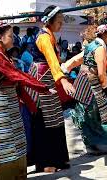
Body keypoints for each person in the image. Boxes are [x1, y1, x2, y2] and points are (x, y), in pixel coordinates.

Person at [0, 22, 49, 179]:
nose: (13, 40)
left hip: (10, 103)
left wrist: (31, 103)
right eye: (10, 36)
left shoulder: (5, 55)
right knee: (0, 142)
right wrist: (41, 87)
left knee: (16, 140)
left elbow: (16, 83)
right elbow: (17, 76)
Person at [26, 5, 75, 172]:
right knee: (44, 118)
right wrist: (63, 80)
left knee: (54, 117)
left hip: (48, 76)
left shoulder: (50, 35)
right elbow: (52, 61)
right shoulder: (44, 38)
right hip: (42, 78)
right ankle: (45, 162)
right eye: (59, 22)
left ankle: (58, 158)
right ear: (50, 22)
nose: (61, 25)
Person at [61, 23, 107, 153]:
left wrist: (65, 67)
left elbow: (76, 60)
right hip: (92, 84)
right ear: (106, 34)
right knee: (99, 114)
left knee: (86, 112)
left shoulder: (91, 45)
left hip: (82, 82)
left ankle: (90, 144)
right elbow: (101, 72)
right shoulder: (101, 47)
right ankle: (98, 144)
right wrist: (105, 84)